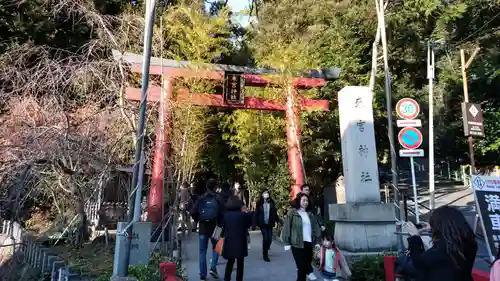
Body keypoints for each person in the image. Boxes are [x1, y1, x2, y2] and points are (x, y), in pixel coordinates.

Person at [404, 206, 477, 281]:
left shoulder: (442, 249)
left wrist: (415, 237)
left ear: (439, 226)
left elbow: (419, 262)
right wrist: (433, 228)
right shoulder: (469, 242)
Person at [190, 178, 225, 280]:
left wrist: (198, 219)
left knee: (202, 251)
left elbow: (193, 212)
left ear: (206, 186)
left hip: (203, 227)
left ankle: (202, 274)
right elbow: (224, 212)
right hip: (216, 226)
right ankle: (213, 266)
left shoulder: (201, 198)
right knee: (217, 247)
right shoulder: (218, 198)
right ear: (215, 187)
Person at [282, 192, 322, 281]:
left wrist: (318, 241)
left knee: (301, 270)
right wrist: (286, 242)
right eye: (303, 200)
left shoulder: (310, 214)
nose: (306, 202)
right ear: (299, 201)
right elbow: (286, 227)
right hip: (296, 243)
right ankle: (310, 271)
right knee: (301, 264)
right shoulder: (292, 212)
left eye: (307, 200)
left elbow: (316, 228)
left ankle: (307, 273)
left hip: (308, 243)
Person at [221, 195, 252, 281]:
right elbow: (248, 225)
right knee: (240, 263)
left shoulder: (225, 215)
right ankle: (239, 279)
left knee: (230, 262)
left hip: (229, 242)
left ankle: (227, 279)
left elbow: (222, 225)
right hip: (240, 242)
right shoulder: (243, 215)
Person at [252, 189, 279, 262]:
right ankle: (265, 254)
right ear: (262, 195)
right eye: (265, 193)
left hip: (270, 223)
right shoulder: (259, 203)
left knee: (269, 239)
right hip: (262, 223)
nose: (266, 194)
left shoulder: (272, 202)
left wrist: (277, 220)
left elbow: (274, 212)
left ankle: (266, 248)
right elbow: (256, 213)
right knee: (265, 238)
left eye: (267, 193)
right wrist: (254, 224)